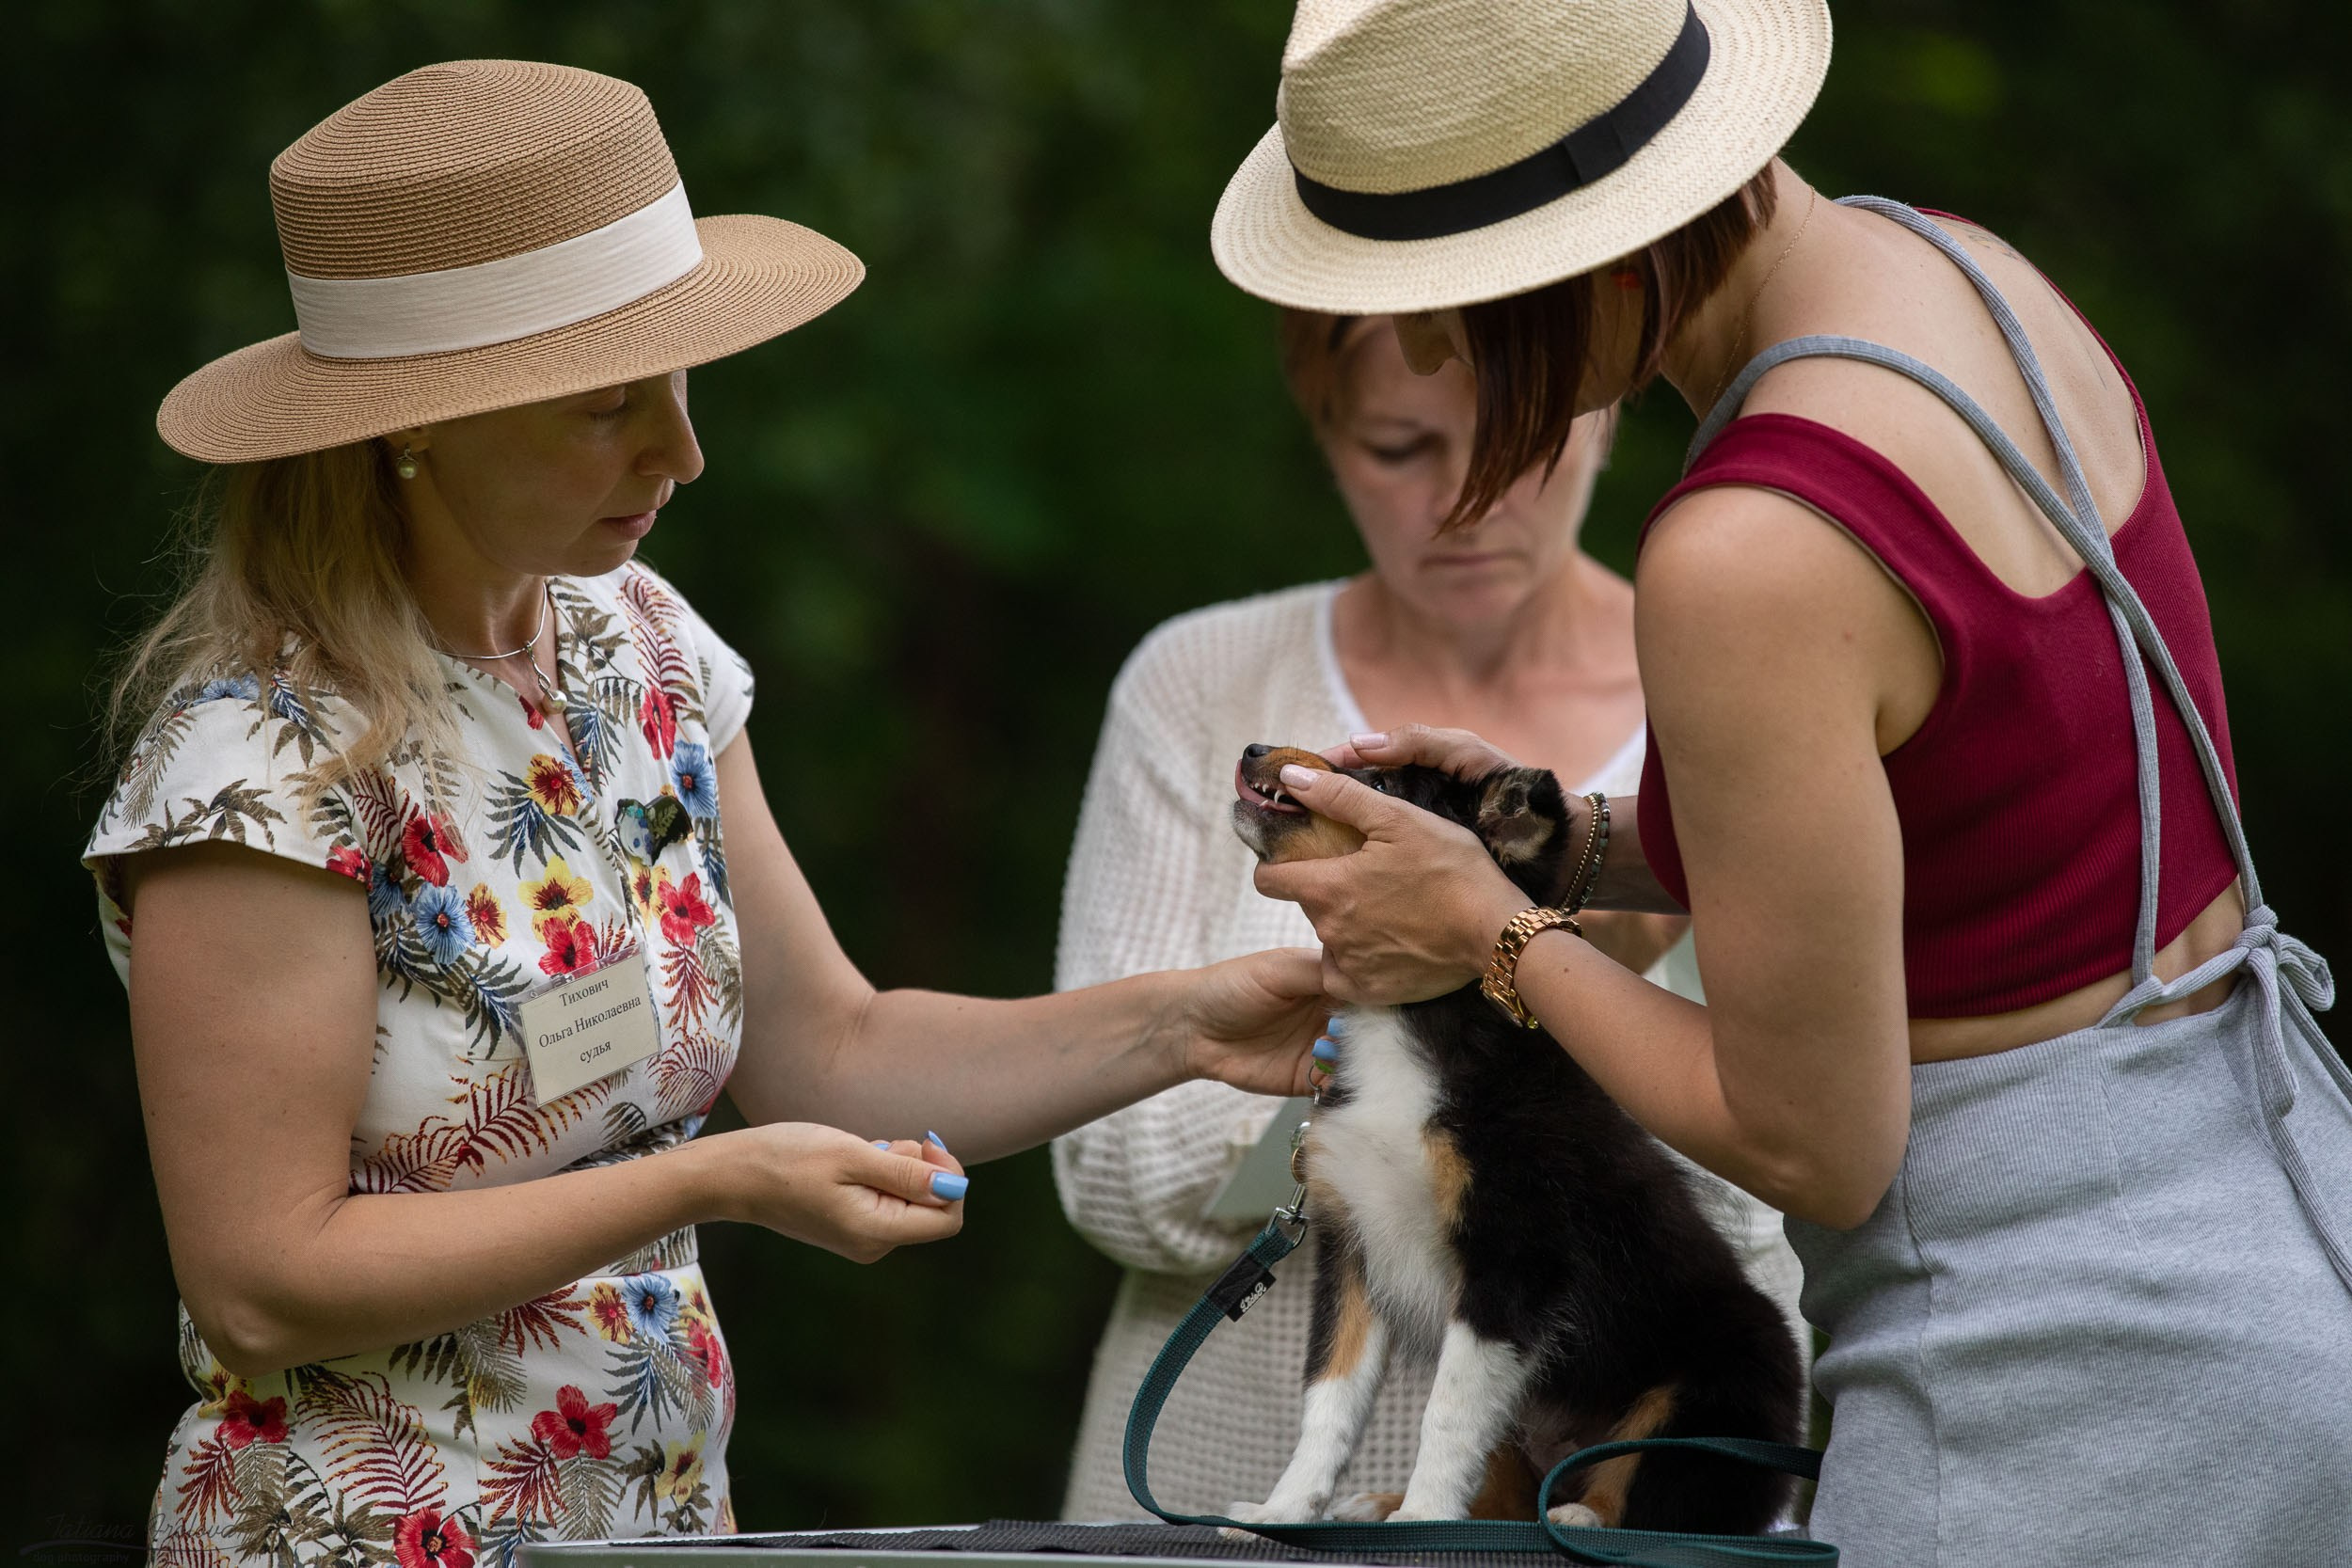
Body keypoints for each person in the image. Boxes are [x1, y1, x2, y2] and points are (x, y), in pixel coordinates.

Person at [87, 61, 1326, 1566]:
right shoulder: (257, 770)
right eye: (609, 404)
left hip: (664, 1530)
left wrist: (1189, 1024)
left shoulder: (642, 645)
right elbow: (261, 1280)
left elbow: (835, 1053)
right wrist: (711, 1180)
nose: (681, 451)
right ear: (414, 424)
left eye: (680, 384)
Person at [1203, 1, 2350, 1563]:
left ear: (1593, 252)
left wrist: (1488, 932)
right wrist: (1565, 846)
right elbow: (1962, 820)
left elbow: (1817, 1138)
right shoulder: (1957, 273)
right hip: (2273, 1248)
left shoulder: (1746, 549)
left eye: (1459, 307)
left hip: (2055, 1377)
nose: (1452, 364)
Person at [1051, 310, 1805, 1520]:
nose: (1461, 498)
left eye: (1517, 441)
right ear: (1328, 430)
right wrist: (1404, 1083)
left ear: (1604, 413)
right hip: (1217, 1489)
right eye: (1400, 447)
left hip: (1620, 1499)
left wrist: (1572, 1000)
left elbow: (1813, 1169)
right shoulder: (1199, 684)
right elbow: (1112, 1173)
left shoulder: (1744, 683)